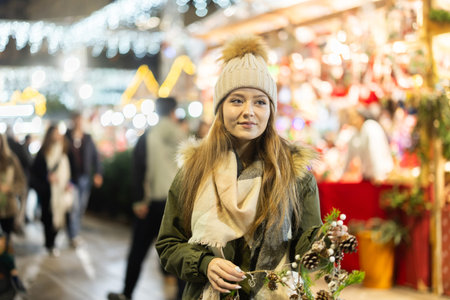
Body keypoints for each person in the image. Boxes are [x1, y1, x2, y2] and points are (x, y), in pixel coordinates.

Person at [155, 35, 323, 299]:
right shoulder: (195, 170)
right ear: (220, 108)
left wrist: (327, 243)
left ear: (271, 111)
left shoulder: (294, 173)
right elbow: (168, 244)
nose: (249, 111)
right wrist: (204, 264)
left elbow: (306, 251)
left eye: (260, 101)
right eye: (236, 100)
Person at [107, 97, 187, 300]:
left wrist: (139, 200)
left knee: (138, 251)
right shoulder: (182, 135)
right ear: (173, 112)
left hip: (152, 202)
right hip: (176, 203)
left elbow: (138, 169)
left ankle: (127, 293)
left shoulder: (148, 135)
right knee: (179, 252)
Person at [30, 124, 74, 256]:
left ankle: (53, 241)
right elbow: (35, 172)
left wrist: (69, 183)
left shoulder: (65, 150)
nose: (57, 136)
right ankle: (49, 242)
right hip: (47, 192)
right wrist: (46, 177)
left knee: (60, 216)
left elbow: (73, 170)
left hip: (61, 191)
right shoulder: (43, 152)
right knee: (47, 217)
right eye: (54, 133)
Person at [65, 112, 103, 247]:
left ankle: (74, 231)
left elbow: (95, 157)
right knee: (74, 208)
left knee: (81, 207)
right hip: (70, 179)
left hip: (85, 178)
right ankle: (73, 235)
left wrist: (98, 173)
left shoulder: (87, 138)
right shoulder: (66, 137)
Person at [340, 106, 394, 182]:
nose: (350, 119)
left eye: (353, 116)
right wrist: (342, 175)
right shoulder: (355, 133)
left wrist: (378, 175)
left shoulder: (370, 126)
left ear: (360, 117)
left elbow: (374, 151)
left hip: (381, 175)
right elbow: (349, 156)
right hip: (369, 176)